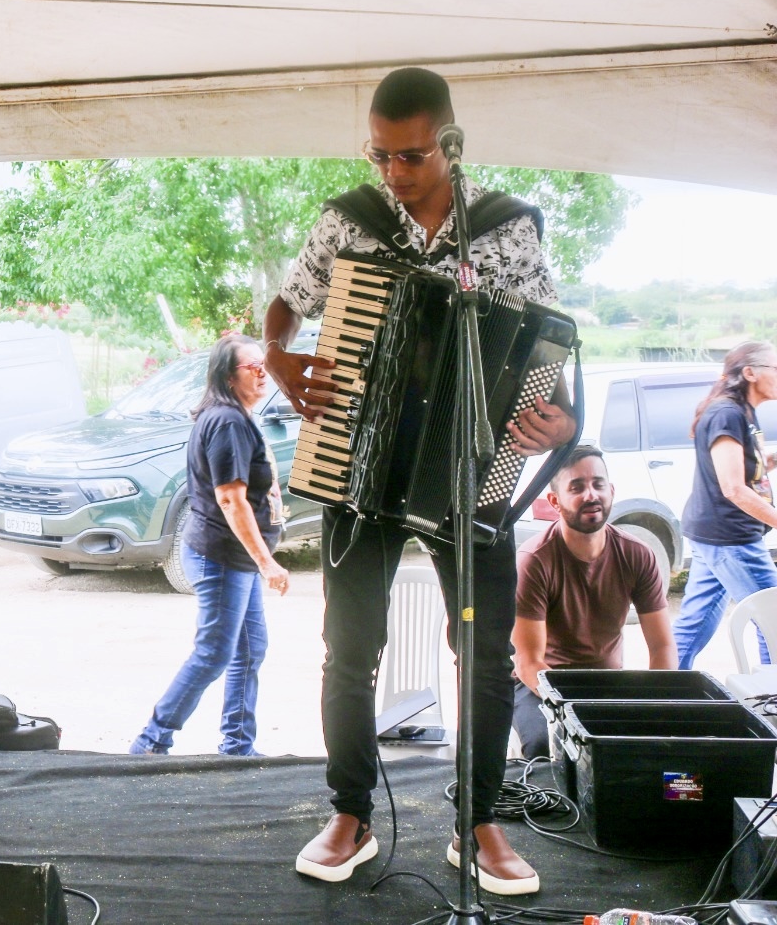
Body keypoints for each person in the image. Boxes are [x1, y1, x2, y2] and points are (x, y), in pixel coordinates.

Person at [267, 67, 574, 895]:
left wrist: (560, 423)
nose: (393, 174)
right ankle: (351, 814)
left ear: (449, 144)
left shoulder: (505, 230)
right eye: (379, 156)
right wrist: (278, 355)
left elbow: (548, 340)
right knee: (350, 649)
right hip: (358, 463)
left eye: (409, 157)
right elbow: (287, 304)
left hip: (467, 469)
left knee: (484, 653)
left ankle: (478, 825)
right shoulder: (349, 221)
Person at [129, 335, 290, 757]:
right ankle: (150, 744)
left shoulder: (237, 417)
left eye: (263, 364)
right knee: (214, 653)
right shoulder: (227, 422)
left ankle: (237, 746)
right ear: (227, 376)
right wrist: (267, 563)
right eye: (252, 367)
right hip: (220, 557)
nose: (263, 373)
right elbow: (230, 499)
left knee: (250, 649)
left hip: (237, 558)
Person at [510, 447, 674, 758]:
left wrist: (656, 703)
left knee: (656, 742)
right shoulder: (534, 560)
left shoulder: (637, 554)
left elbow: (662, 646)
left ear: (611, 491)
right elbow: (528, 662)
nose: (591, 495)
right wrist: (576, 712)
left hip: (608, 682)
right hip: (540, 687)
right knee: (548, 748)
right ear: (555, 501)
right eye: (576, 487)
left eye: (598, 484)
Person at [673, 341, 777, 668]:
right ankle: (772, 692)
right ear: (750, 373)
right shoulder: (727, 413)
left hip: (715, 534)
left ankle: (660, 688)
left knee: (695, 623)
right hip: (731, 538)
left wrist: (769, 460)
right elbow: (732, 488)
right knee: (773, 617)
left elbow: (740, 470)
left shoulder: (741, 411)